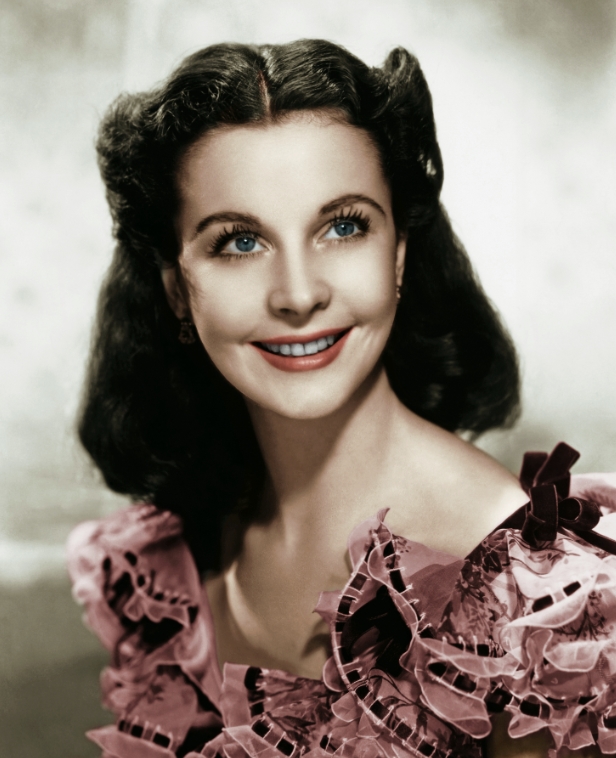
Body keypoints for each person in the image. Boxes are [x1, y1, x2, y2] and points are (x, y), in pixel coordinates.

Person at [66, 39, 616, 758]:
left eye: (344, 226)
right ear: (176, 288)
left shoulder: (543, 606)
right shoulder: (162, 570)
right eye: (239, 242)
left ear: (399, 254)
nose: (299, 295)